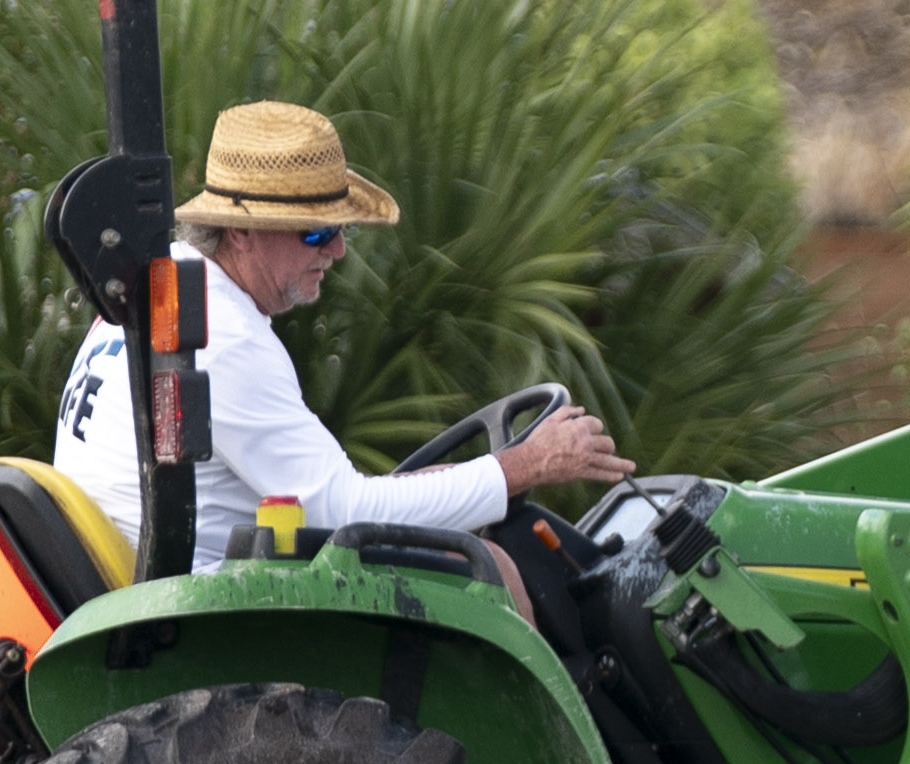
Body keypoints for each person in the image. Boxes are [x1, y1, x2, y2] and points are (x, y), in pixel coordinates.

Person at [57, 99, 630, 578]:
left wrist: (452, 482)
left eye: (339, 229)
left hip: (157, 578)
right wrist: (524, 466)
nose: (338, 251)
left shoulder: (160, 293)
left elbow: (319, 497)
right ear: (240, 229)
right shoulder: (221, 335)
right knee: (495, 569)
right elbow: (342, 512)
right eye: (317, 231)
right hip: (197, 606)